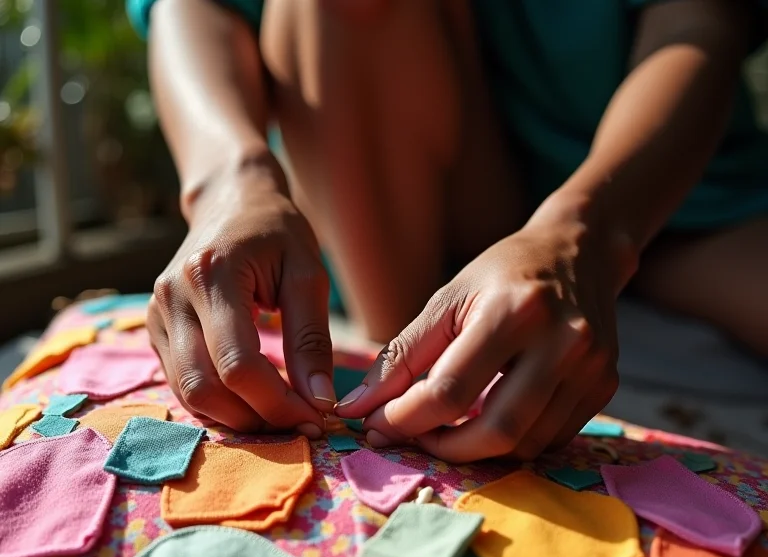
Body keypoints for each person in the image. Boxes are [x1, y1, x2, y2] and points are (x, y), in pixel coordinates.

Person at [129, 0, 768, 463]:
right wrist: (227, 185)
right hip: (414, 204)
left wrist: (588, 238)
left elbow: (699, 18)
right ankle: (406, 361)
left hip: (671, 182)